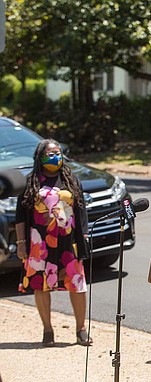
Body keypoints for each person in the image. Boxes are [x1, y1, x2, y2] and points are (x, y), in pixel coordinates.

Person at [15, 139, 92, 347]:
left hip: (69, 242)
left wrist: (84, 236)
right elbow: (20, 215)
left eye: (57, 153)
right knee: (41, 285)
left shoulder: (70, 179)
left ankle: (81, 330)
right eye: (49, 154)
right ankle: (47, 330)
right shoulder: (31, 181)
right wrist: (21, 243)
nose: (54, 157)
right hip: (39, 242)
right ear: (39, 157)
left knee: (77, 284)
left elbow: (81, 210)